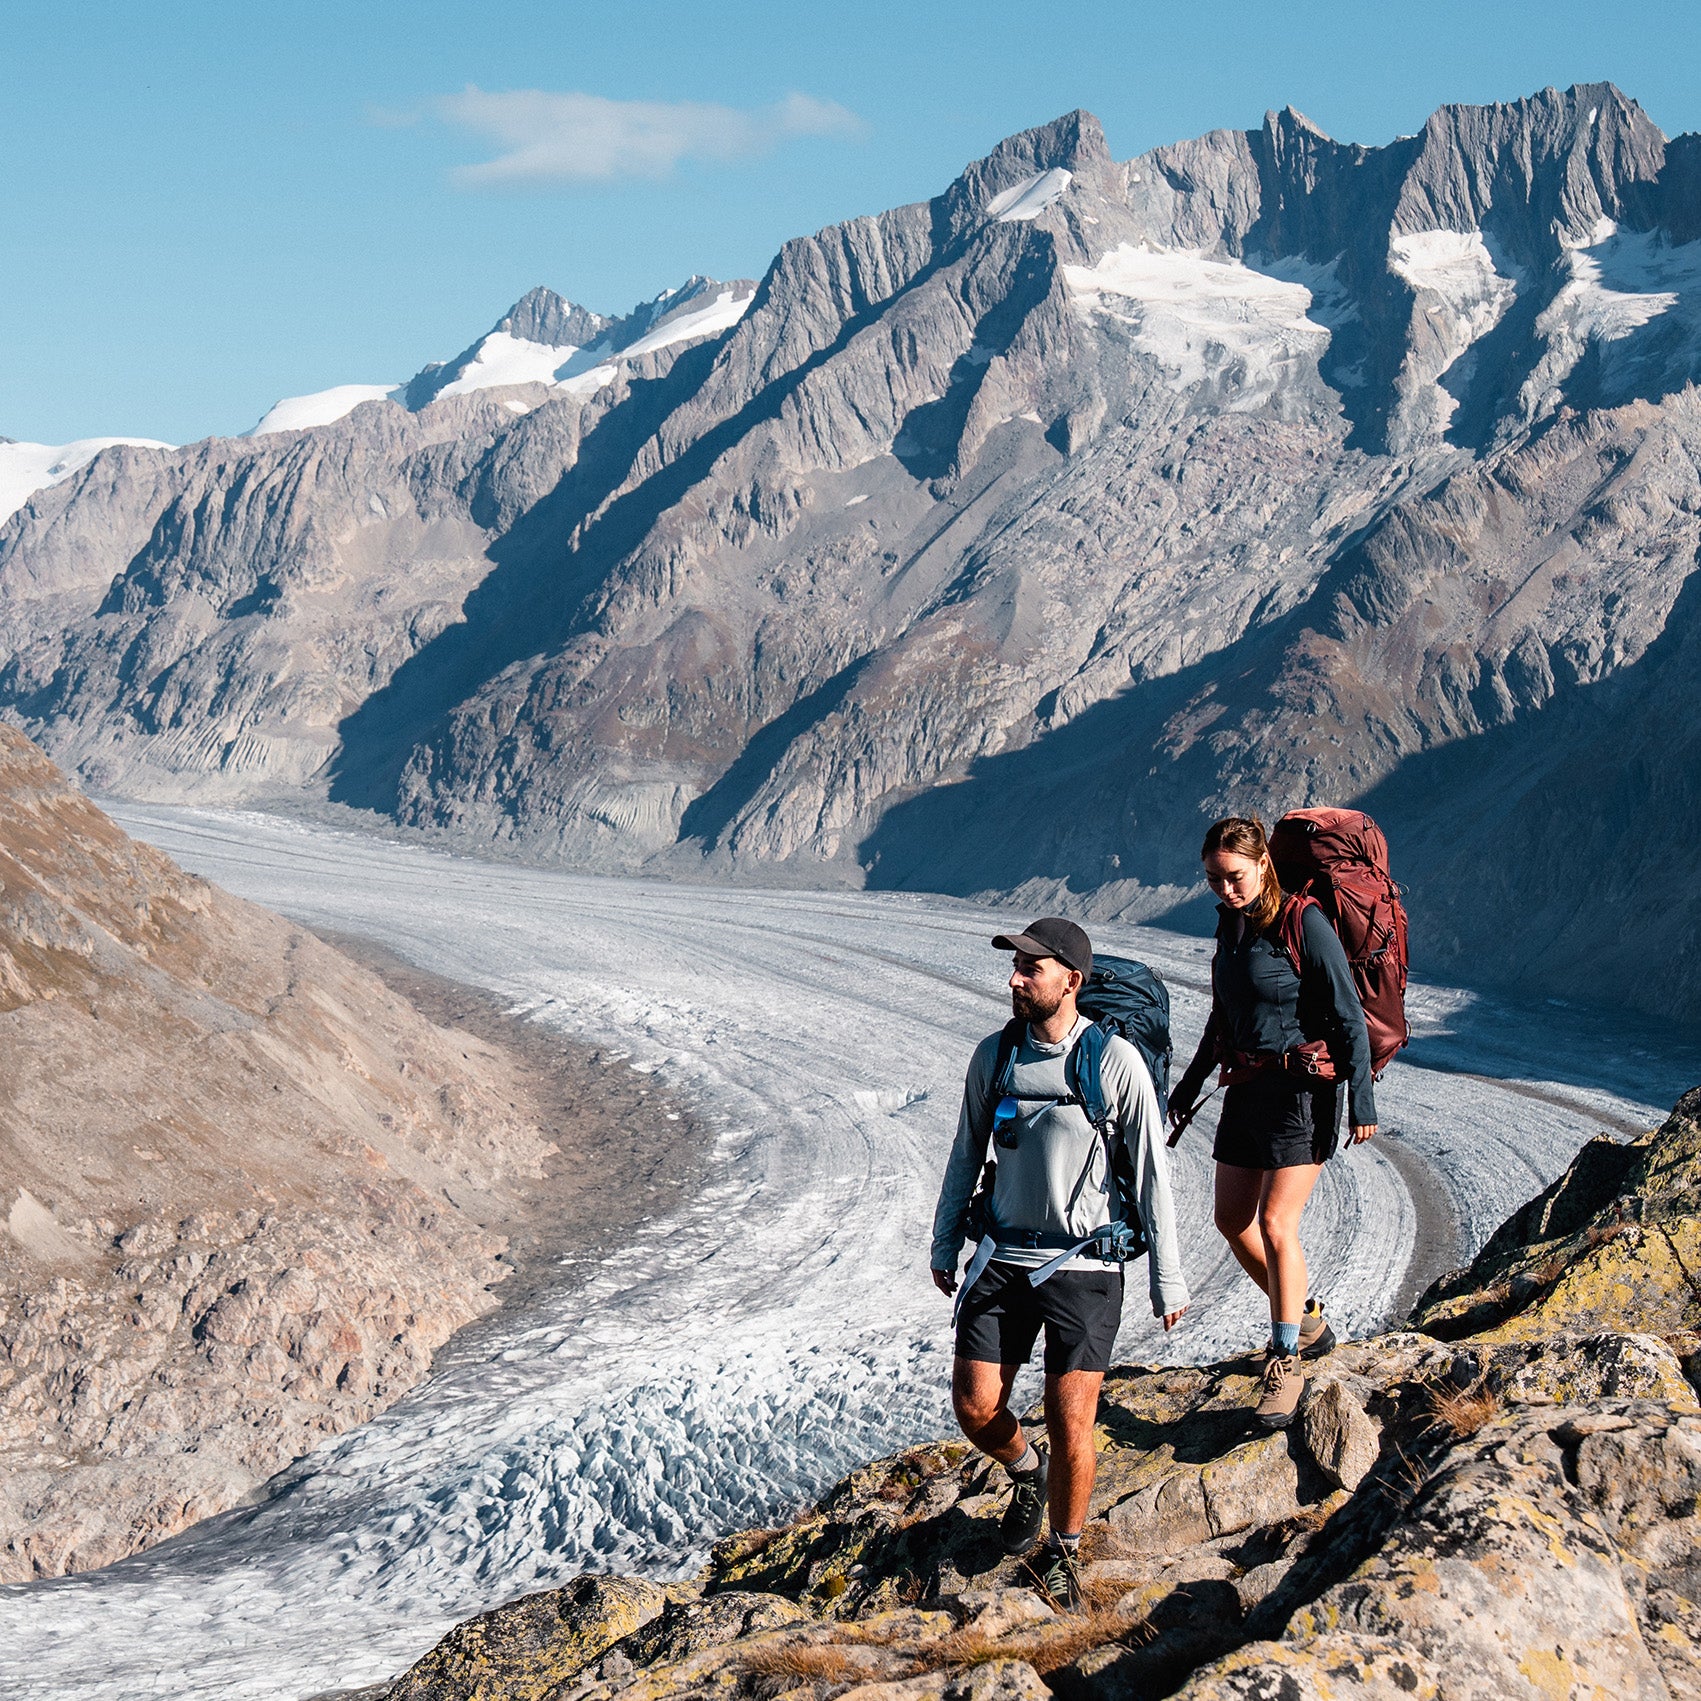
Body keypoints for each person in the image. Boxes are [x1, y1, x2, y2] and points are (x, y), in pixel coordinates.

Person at [931, 916, 1189, 1610]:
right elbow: (964, 1151)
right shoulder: (995, 1055)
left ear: (1070, 981)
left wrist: (1168, 1276)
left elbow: (1153, 1175)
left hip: (1083, 1266)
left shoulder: (1113, 1062)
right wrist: (943, 1237)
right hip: (1002, 1256)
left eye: (1029, 968)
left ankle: (1065, 1552)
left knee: (1071, 1415)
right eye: (1014, 968)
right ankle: (1025, 1470)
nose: (1014, 979)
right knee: (974, 1404)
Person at [1168, 816, 1377, 1429]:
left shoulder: (1304, 921)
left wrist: (1361, 1102)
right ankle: (1305, 1316)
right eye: (1213, 879)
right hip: (1247, 1088)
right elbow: (1223, 1015)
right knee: (1231, 1219)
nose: (1224, 890)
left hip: (1301, 1094)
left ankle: (1285, 1357)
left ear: (1263, 865)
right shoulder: (1229, 925)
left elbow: (1348, 1018)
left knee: (1276, 1222)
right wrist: (1191, 1080)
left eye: (1233, 878)